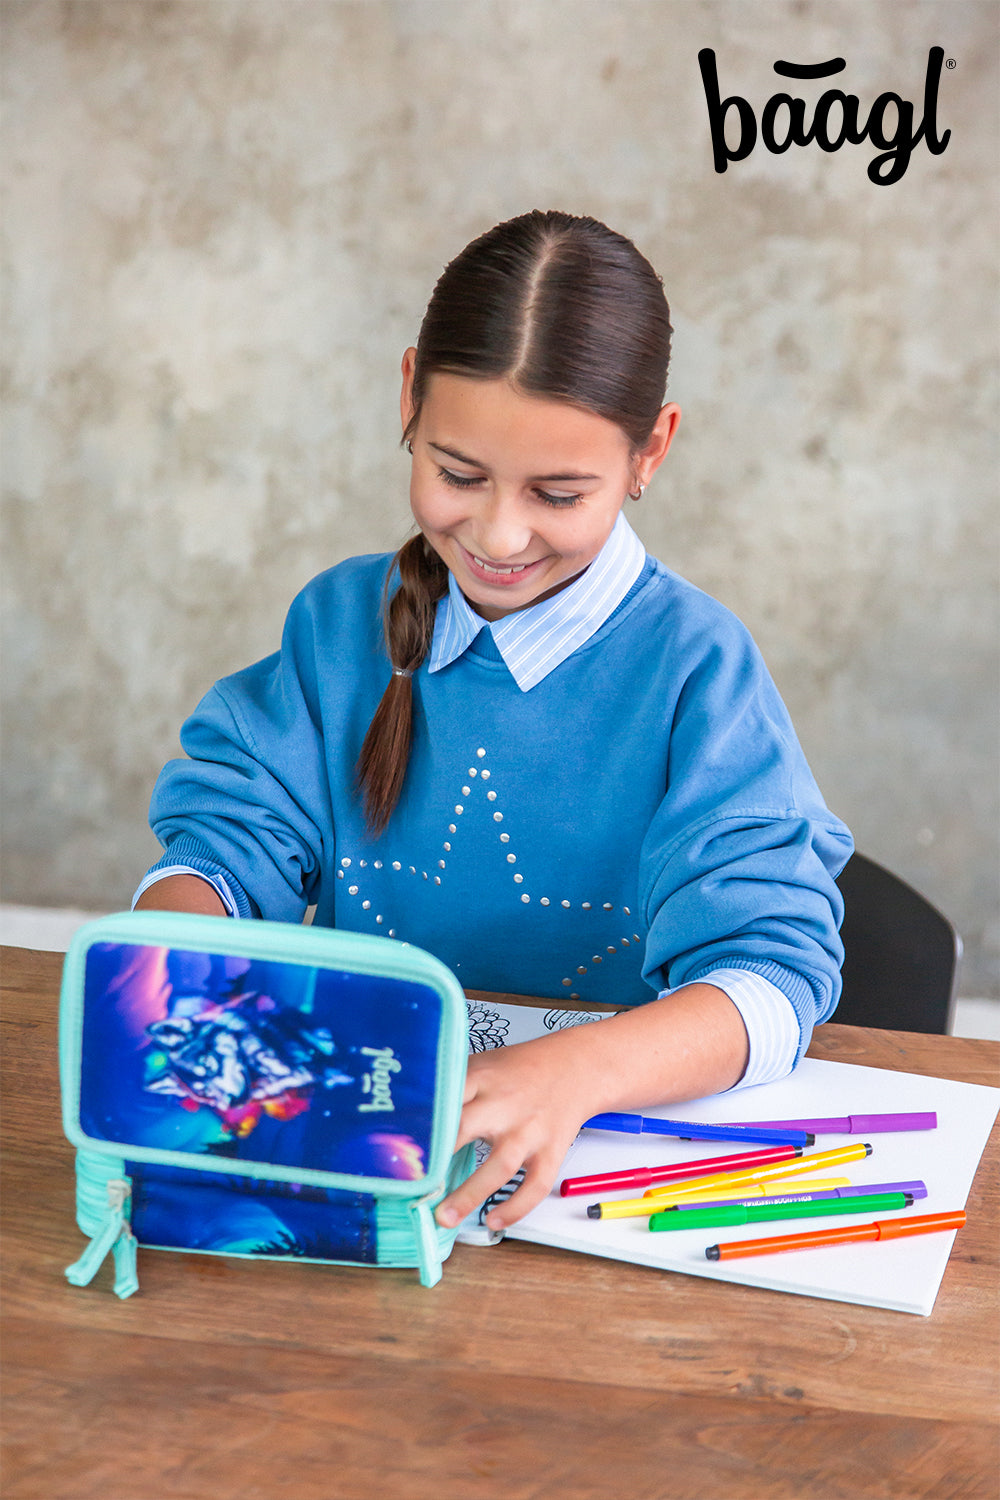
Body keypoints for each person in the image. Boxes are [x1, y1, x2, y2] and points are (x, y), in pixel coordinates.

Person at [135, 209, 853, 1233]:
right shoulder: (339, 625)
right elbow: (226, 848)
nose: (500, 535)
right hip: (371, 1162)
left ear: (650, 451)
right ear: (408, 397)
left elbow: (774, 983)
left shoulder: (696, 669)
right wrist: (180, 967)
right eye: (458, 475)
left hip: (598, 1188)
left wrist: (576, 1072)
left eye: (557, 494)